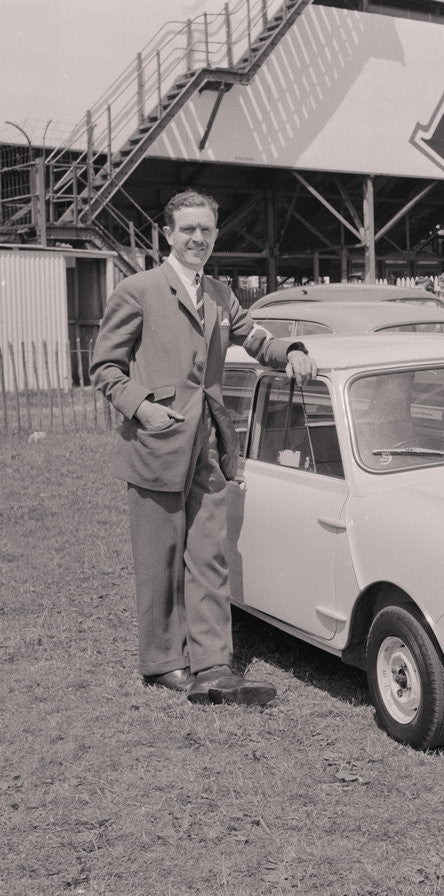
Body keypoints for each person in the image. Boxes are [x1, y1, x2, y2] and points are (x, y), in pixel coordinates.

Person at [90, 189, 318, 705]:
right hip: (156, 441)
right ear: (168, 234)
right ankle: (163, 662)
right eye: (188, 229)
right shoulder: (138, 290)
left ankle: (214, 665)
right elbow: (105, 367)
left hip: (209, 444)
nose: (198, 238)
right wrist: (142, 408)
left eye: (206, 230)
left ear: (215, 235)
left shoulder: (219, 293)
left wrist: (293, 352)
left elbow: (256, 339)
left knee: (210, 554)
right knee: (161, 559)